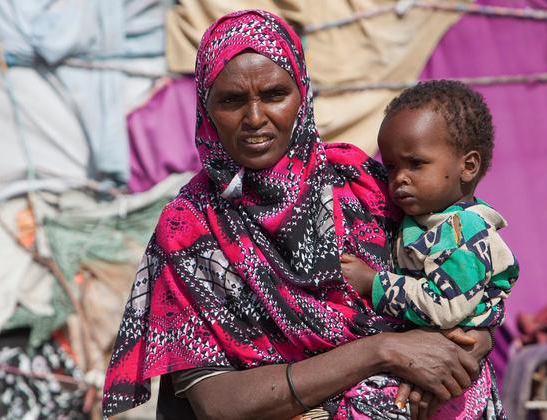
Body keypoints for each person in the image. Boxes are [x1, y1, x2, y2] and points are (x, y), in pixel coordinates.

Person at [103, 10, 501, 420]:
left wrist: (467, 347)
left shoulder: (362, 185)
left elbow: (470, 276)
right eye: (231, 101)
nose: (255, 118)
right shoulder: (191, 229)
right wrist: (381, 351)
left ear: (302, 94)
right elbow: (218, 404)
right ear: (206, 109)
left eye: (275, 95)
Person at [341, 80, 519, 416]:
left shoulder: (463, 232)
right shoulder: (428, 220)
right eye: (391, 166)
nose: (399, 178)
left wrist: (373, 283)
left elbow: (446, 305)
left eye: (416, 163)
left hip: (454, 384)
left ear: (468, 167)